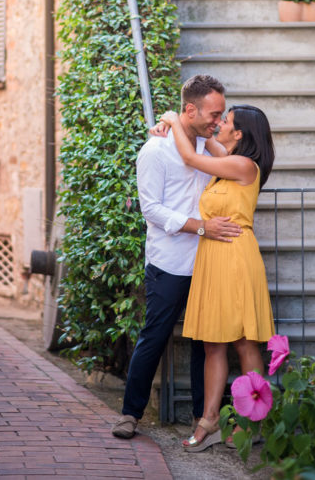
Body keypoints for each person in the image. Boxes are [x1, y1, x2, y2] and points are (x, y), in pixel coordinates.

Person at [112, 74, 243, 440]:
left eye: (221, 116)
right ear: (190, 109)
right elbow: (150, 209)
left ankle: (203, 419)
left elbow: (236, 162)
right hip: (169, 262)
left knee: (207, 342)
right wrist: (201, 227)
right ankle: (130, 414)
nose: (218, 122)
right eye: (214, 115)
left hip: (209, 261)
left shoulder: (208, 147)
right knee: (154, 336)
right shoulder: (155, 150)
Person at [157, 104, 276, 452]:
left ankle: (256, 420)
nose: (219, 124)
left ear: (239, 134)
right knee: (212, 342)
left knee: (243, 341)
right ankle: (209, 420)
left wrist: (170, 118)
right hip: (213, 257)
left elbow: (191, 158)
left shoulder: (243, 165)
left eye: (226, 121)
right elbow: (206, 142)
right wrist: (181, 121)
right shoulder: (228, 160)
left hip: (236, 258)